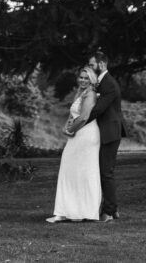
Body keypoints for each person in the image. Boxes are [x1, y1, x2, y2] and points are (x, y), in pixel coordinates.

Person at [68, 50, 126, 221]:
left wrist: (78, 124)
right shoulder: (101, 83)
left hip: (110, 132)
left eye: (92, 64)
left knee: (106, 172)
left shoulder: (108, 84)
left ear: (101, 64)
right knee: (104, 171)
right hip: (105, 131)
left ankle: (108, 212)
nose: (90, 67)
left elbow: (97, 110)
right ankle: (112, 209)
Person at [46, 66, 102, 223]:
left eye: (86, 78)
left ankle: (86, 211)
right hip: (78, 133)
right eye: (81, 77)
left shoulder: (90, 94)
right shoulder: (81, 93)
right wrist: (66, 126)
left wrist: (70, 130)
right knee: (70, 171)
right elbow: (73, 114)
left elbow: (84, 117)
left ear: (92, 80)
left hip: (86, 134)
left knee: (85, 172)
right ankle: (66, 211)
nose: (83, 80)